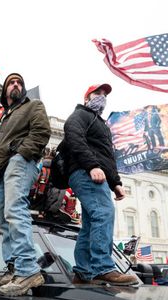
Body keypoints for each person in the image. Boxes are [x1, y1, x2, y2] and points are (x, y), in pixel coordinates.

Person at [61, 84, 138, 285]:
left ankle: (84, 272)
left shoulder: (101, 124)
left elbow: (107, 156)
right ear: (87, 98)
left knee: (90, 224)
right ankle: (103, 267)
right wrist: (92, 165)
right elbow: (73, 136)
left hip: (96, 174)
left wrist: (116, 183)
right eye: (97, 93)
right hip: (85, 173)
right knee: (104, 213)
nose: (102, 97)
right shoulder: (81, 115)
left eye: (105, 95)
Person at [0, 73, 51, 296]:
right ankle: (14, 270)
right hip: (1, 173)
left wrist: (21, 155)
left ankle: (28, 270)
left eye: (19, 82)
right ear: (5, 91)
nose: (15, 85)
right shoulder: (2, 118)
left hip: (19, 163)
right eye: (11, 82)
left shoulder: (33, 106)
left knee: (15, 211)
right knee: (3, 220)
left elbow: (42, 132)